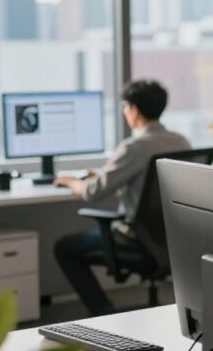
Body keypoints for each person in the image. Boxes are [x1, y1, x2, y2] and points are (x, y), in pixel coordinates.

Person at [54, 79, 190, 316]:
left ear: (134, 109)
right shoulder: (180, 141)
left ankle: (102, 311)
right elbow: (151, 186)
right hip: (171, 238)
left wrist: (72, 182)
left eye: (125, 107)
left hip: (135, 239)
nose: (125, 112)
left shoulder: (134, 147)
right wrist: (105, 176)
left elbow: (92, 192)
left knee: (64, 248)